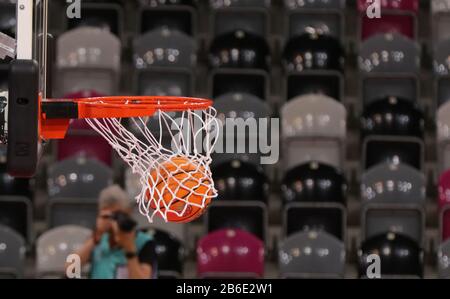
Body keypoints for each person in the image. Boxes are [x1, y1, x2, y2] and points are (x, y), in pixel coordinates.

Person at [71, 185, 157, 279]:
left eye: (117, 216)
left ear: (127, 214)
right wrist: (96, 237)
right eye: (106, 216)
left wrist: (129, 249)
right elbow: (70, 270)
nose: (111, 221)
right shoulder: (97, 240)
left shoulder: (144, 242)